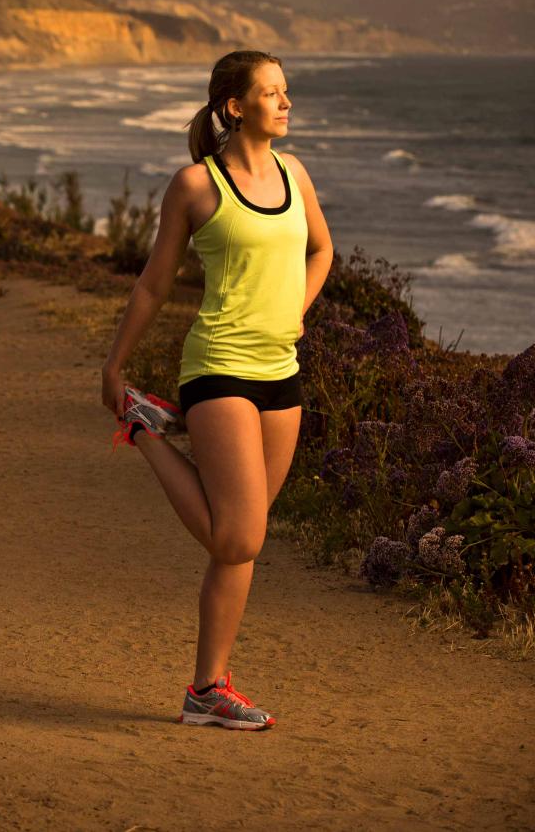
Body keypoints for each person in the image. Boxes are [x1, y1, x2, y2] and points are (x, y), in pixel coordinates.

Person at [98, 50, 334, 730]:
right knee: (239, 535)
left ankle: (207, 690)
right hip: (219, 366)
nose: (286, 104)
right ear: (235, 106)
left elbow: (321, 249)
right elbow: (153, 283)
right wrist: (115, 367)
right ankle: (142, 427)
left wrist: (298, 310)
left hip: (279, 372)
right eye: (271, 93)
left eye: (287, 92)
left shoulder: (295, 174)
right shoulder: (197, 186)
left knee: (242, 542)